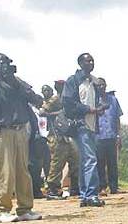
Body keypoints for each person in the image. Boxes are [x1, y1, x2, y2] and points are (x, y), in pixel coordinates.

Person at [0, 53, 44, 222]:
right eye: (3, 64)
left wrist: (15, 82)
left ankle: (25, 209)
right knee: (4, 172)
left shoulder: (17, 83)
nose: (7, 67)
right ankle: (1, 210)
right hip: (2, 131)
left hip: (20, 130)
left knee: (23, 171)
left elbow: (37, 99)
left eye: (9, 64)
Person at [62, 53, 107, 207]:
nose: (91, 63)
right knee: (90, 159)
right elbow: (68, 103)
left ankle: (86, 195)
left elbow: (98, 101)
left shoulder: (93, 81)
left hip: (92, 125)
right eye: (88, 60)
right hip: (81, 124)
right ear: (80, 63)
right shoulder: (73, 81)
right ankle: (91, 194)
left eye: (93, 60)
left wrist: (99, 109)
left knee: (85, 160)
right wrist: (90, 109)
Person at [41, 80, 79, 199]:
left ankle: (75, 188)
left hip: (68, 136)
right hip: (56, 135)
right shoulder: (55, 99)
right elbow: (42, 112)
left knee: (75, 160)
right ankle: (53, 189)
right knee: (57, 163)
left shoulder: (68, 98)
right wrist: (59, 113)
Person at [95, 78, 123, 195]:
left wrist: (118, 135)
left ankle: (114, 187)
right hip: (98, 136)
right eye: (98, 85)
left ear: (106, 85)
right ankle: (102, 187)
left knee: (113, 162)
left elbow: (117, 118)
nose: (101, 87)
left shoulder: (113, 100)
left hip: (111, 135)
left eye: (102, 85)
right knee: (100, 163)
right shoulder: (94, 101)